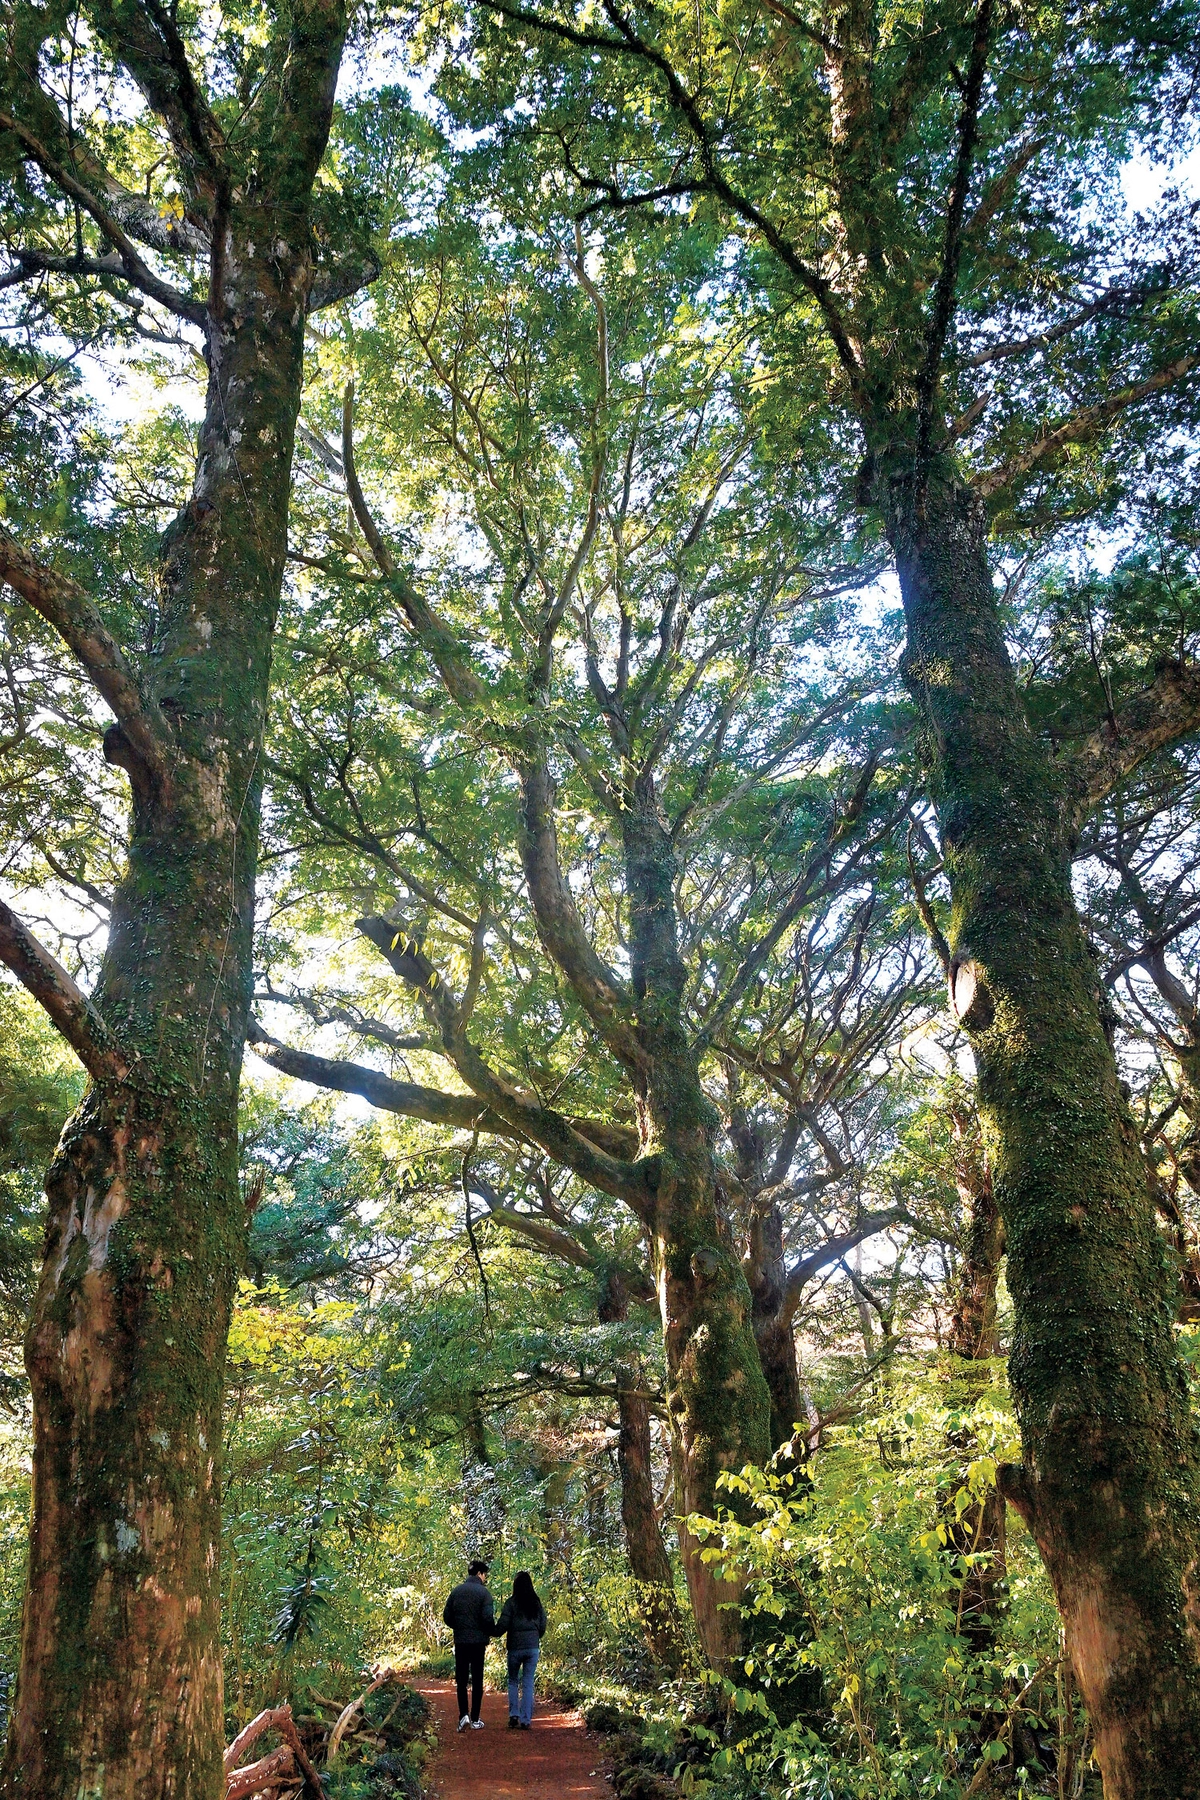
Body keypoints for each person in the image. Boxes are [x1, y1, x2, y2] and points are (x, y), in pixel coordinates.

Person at [442, 1559, 495, 1731]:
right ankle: (476, 1718)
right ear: (480, 1574)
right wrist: (488, 1630)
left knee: (462, 1679)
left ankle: (463, 1714)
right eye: (485, 1574)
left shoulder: (456, 1591)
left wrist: (459, 1627)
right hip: (479, 1643)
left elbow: (447, 1616)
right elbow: (487, 1618)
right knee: (477, 1679)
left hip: (461, 1641)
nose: (485, 1578)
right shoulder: (484, 1594)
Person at [494, 1570, 548, 1730]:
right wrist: (537, 1636)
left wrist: (491, 1631)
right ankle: (525, 1720)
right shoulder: (536, 1603)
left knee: (512, 1681)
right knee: (528, 1682)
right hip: (532, 1648)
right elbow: (543, 1623)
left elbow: (503, 1625)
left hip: (515, 1648)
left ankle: (513, 1715)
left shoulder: (511, 1603)